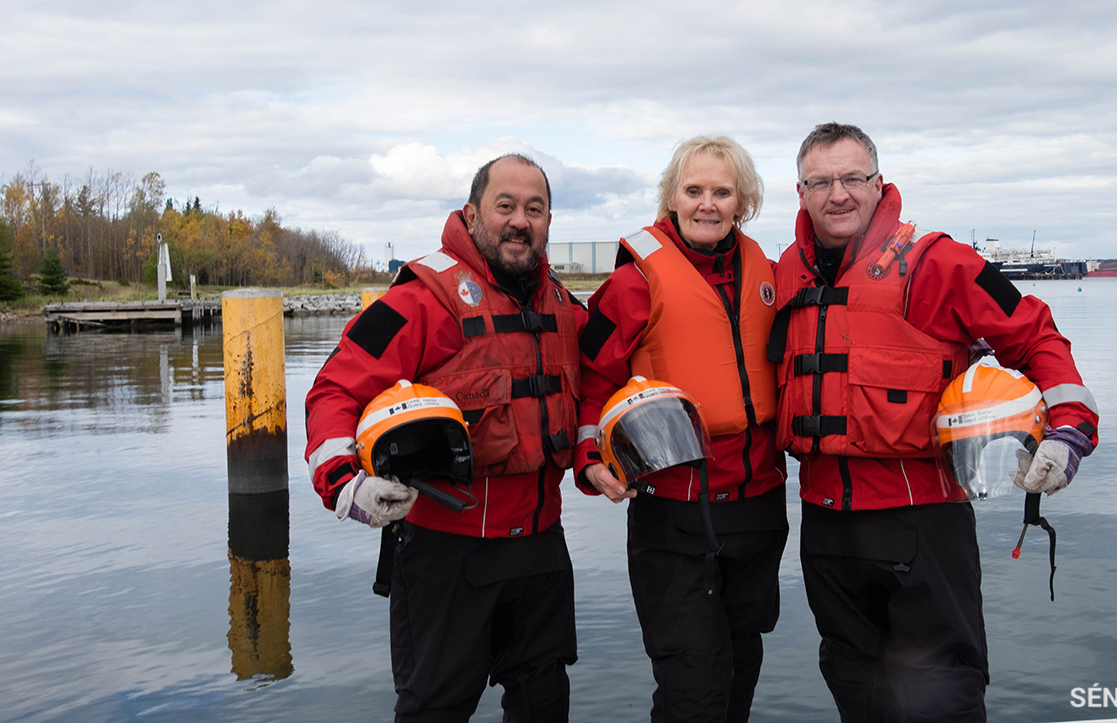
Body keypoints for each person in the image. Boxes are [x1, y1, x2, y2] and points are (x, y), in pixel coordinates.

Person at [771, 122, 1100, 722]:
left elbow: (1034, 333)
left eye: (852, 178)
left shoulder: (939, 262)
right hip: (825, 527)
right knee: (853, 680)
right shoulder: (785, 272)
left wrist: (1070, 428)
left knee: (939, 689)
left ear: (879, 184)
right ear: (800, 192)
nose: (837, 194)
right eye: (821, 182)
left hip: (921, 521)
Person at [304, 154, 588, 723]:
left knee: (544, 706)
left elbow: (604, 386)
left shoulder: (561, 305)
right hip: (446, 554)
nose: (519, 221)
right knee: (434, 709)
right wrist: (344, 485)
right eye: (504, 206)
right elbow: (333, 391)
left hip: (540, 549)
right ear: (472, 213)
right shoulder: (420, 298)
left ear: (549, 221)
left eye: (534, 209)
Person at [574, 135, 789, 723]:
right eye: (694, 190)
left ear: (743, 201)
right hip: (672, 510)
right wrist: (588, 458)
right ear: (672, 195)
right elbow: (592, 381)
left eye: (722, 192)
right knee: (692, 685)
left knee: (740, 669)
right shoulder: (633, 281)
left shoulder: (769, 272)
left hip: (759, 506)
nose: (707, 204)